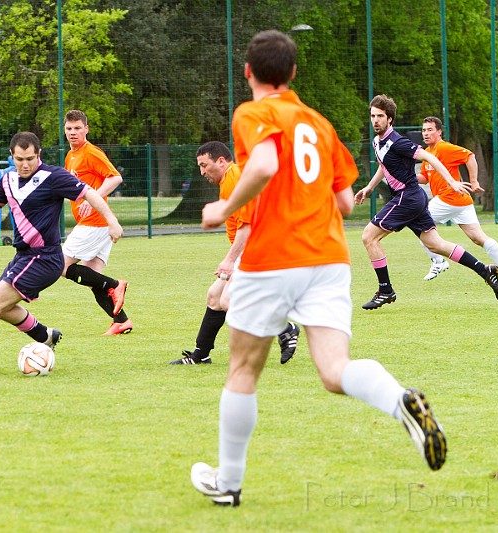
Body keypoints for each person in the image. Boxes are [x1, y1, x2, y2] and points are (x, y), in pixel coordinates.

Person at [191, 30, 447, 508]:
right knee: (334, 369)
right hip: (327, 258)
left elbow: (264, 165)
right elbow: (346, 202)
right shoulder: (319, 124)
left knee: (243, 369)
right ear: (292, 74)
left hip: (273, 257)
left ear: (249, 72)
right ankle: (400, 402)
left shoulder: (254, 112)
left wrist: (224, 209)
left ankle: (228, 483)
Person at [0, 132, 123, 373]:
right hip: (23, 257)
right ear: (12, 156)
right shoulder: (8, 179)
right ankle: (45, 335)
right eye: (19, 159)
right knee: (3, 307)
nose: (25, 164)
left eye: (30, 158)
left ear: (39, 154)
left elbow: (89, 193)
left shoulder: (52, 176)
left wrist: (111, 221)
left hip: (45, 258)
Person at [355, 95, 498, 309]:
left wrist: (451, 181)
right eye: (373, 116)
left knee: (369, 237)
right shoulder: (378, 142)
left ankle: (385, 290)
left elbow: (431, 158)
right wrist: (369, 187)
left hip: (407, 197)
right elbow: (383, 165)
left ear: (390, 119)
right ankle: (484, 270)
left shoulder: (398, 142)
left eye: (380, 116)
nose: (375, 120)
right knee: (436, 244)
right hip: (412, 198)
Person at [168, 141, 300, 365]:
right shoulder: (233, 177)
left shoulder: (232, 179)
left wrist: (229, 260)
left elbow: (247, 226)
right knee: (215, 297)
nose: (202, 172)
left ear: (220, 161)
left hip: (255, 247)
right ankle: (201, 355)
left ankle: (285, 329)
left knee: (229, 300)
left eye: (204, 165)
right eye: (199, 166)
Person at [61, 109, 132, 336]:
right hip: (92, 224)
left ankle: (114, 284)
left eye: (77, 128)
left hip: (95, 222)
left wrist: (94, 200)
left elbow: (115, 177)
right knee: (93, 280)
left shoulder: (91, 152)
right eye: (69, 128)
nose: (73, 133)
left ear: (86, 129)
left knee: (60, 266)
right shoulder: (71, 156)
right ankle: (121, 321)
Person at [415, 116, 498, 280]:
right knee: (478, 238)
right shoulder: (427, 153)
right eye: (424, 130)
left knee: (419, 223)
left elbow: (470, 156)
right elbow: (425, 178)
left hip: (450, 197)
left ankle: (438, 261)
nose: (426, 133)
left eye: (430, 130)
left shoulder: (445, 148)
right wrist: (405, 177)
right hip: (460, 201)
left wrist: (474, 181)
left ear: (439, 132)